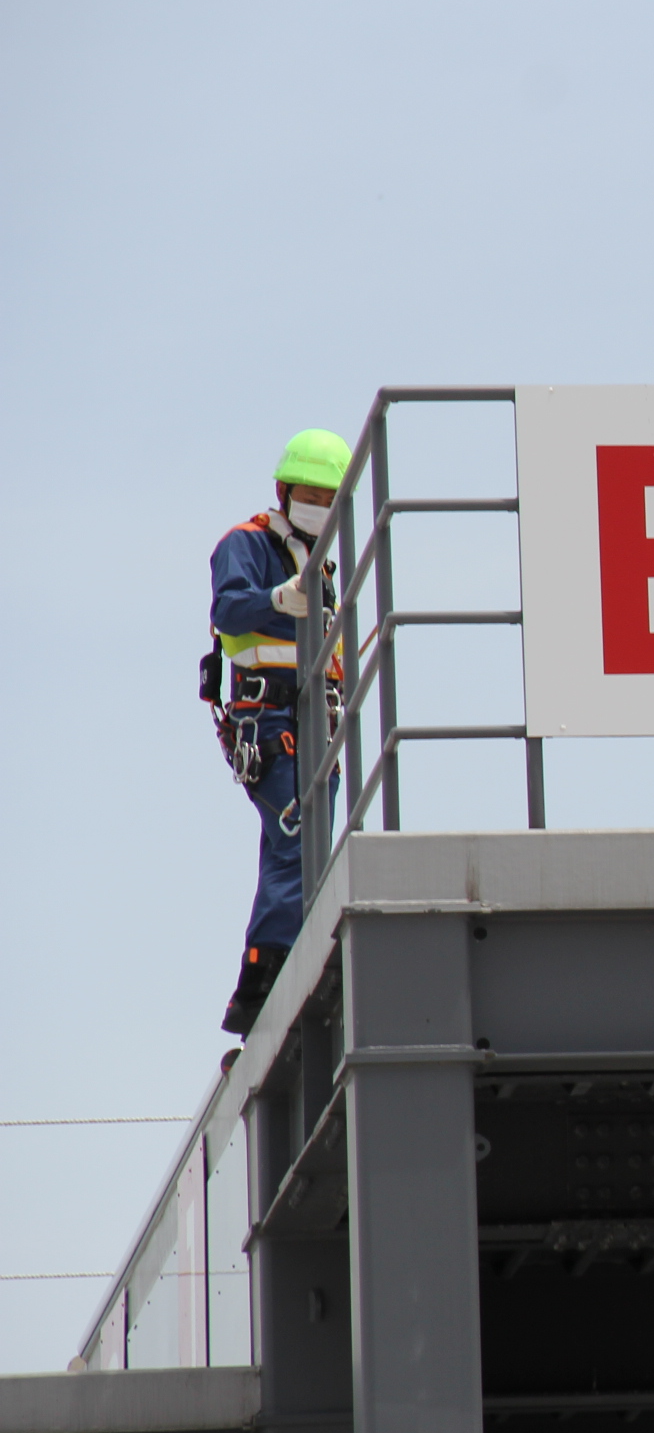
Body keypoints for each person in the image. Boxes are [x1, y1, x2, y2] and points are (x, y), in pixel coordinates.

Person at [208, 429, 348, 1033]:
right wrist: (277, 597)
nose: (316, 504)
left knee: (307, 845)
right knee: (295, 835)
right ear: (283, 490)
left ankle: (279, 973)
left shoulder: (326, 564)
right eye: (307, 492)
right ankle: (266, 983)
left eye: (328, 495)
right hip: (267, 721)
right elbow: (228, 610)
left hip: (318, 718)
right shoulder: (247, 545)